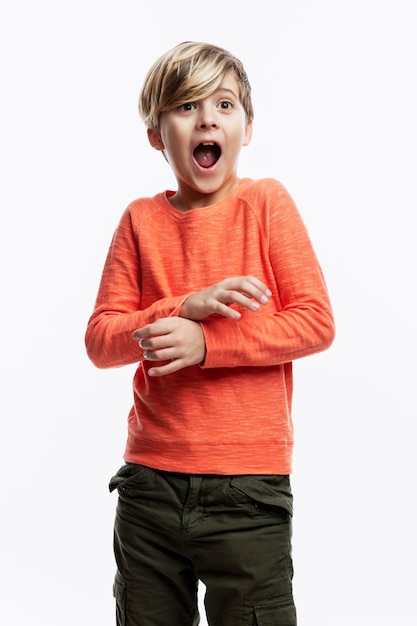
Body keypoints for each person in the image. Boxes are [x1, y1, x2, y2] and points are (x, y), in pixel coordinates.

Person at [85, 41, 335, 626]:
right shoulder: (140, 220)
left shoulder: (266, 203)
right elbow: (101, 340)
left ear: (247, 128)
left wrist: (208, 345)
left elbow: (316, 321)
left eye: (224, 104)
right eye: (187, 105)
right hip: (149, 486)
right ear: (156, 134)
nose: (207, 119)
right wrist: (182, 308)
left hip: (248, 491)